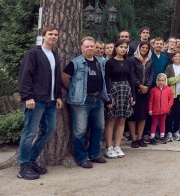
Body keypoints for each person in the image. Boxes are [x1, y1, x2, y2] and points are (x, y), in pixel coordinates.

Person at [17, 26, 63, 180]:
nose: (53, 37)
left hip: (50, 101)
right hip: (35, 101)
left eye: (56, 34)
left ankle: (31, 161)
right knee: (29, 133)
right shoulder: (33, 54)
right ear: (43, 36)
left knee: (49, 129)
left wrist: (57, 96)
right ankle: (23, 167)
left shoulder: (54, 55)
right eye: (50, 34)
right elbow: (25, 76)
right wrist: (27, 97)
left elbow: (56, 78)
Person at [62, 37, 110, 168]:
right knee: (80, 131)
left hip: (98, 99)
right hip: (81, 101)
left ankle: (94, 154)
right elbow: (65, 77)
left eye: (92, 46)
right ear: (81, 48)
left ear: (95, 48)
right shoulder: (75, 63)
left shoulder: (100, 62)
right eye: (87, 46)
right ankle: (82, 157)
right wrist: (74, 90)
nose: (90, 48)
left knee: (99, 127)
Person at [103, 39, 135, 157]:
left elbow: (131, 79)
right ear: (115, 48)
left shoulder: (128, 62)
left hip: (126, 90)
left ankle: (117, 146)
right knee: (111, 120)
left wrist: (133, 95)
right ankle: (109, 147)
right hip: (114, 91)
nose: (123, 49)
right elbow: (106, 80)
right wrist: (108, 98)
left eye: (125, 47)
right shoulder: (110, 63)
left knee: (122, 120)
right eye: (121, 47)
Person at [129, 40, 153, 148]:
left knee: (143, 115)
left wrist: (146, 86)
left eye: (146, 48)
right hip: (135, 90)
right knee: (133, 115)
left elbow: (151, 74)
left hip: (145, 91)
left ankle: (140, 137)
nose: (144, 49)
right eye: (142, 47)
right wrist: (139, 85)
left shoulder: (150, 61)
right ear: (139, 48)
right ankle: (134, 139)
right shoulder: (133, 60)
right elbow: (131, 74)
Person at [165, 51, 180, 141]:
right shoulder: (169, 67)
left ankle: (176, 131)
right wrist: (177, 78)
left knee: (177, 114)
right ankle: (169, 132)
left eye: (179, 56)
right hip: (171, 95)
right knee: (170, 114)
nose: (177, 58)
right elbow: (167, 80)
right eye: (175, 56)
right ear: (172, 58)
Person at [148, 73, 174, 145]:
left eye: (162, 80)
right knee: (154, 123)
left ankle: (162, 136)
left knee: (162, 123)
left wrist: (168, 107)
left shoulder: (169, 90)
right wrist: (150, 109)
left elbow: (171, 99)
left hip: (164, 110)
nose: (161, 82)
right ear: (157, 81)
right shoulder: (153, 90)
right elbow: (151, 101)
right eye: (159, 80)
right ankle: (152, 137)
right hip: (155, 110)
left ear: (165, 81)